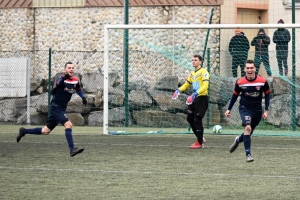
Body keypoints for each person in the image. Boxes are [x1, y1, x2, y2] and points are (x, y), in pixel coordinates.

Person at [16, 62, 87, 157]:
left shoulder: (75, 80)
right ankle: (72, 149)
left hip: (61, 108)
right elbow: (58, 83)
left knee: (45, 131)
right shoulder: (61, 78)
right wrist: (64, 78)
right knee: (68, 124)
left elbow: (78, 88)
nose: (71, 69)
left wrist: (83, 97)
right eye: (69, 68)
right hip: (56, 108)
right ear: (65, 70)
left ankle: (24, 131)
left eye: (72, 68)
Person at [225, 60, 270, 162]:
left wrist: (266, 110)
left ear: (255, 68)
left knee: (249, 132)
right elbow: (234, 96)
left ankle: (238, 140)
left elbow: (267, 94)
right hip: (245, 108)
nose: (249, 70)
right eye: (247, 68)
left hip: (257, 110)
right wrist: (229, 109)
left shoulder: (262, 81)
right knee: (248, 128)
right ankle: (248, 155)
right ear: (244, 69)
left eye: (251, 68)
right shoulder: (240, 82)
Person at [172, 55, 210, 149]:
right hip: (194, 98)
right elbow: (187, 84)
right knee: (189, 118)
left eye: (195, 60)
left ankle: (199, 143)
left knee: (197, 119)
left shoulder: (204, 72)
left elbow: (205, 86)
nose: (193, 61)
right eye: (192, 60)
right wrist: (178, 90)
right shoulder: (192, 73)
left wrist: (194, 94)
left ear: (200, 62)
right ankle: (200, 137)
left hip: (202, 98)